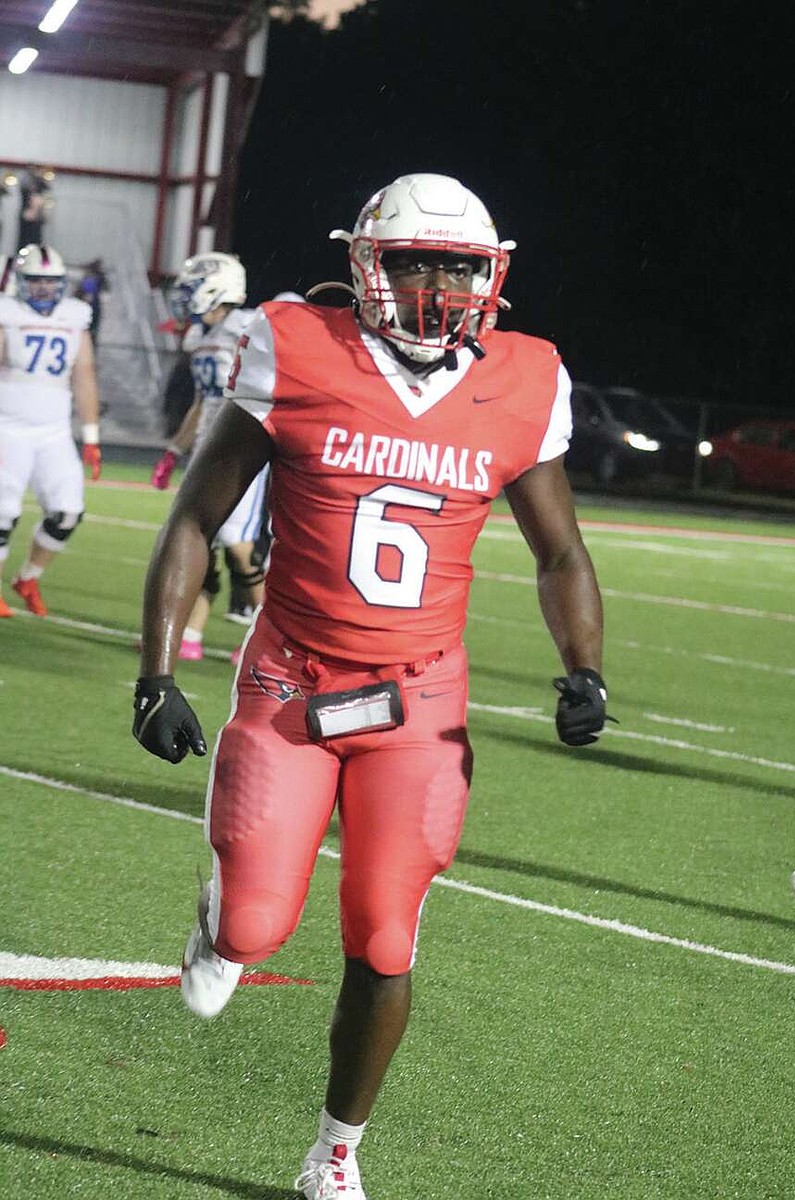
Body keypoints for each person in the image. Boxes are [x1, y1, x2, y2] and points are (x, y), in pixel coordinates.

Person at [132, 173, 610, 1199]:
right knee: (256, 928)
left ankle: (334, 1151)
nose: (436, 285)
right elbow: (193, 519)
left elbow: (559, 551)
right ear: (364, 266)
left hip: (421, 700)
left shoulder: (522, 379)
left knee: (386, 933)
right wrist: (155, 674)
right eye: (412, 262)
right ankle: (223, 916)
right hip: (290, 681)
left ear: (490, 277)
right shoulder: (297, 346)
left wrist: (583, 671)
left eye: (457, 266)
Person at [149, 251, 267, 659]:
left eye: (192, 288)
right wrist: (173, 451)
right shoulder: (198, 337)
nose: (184, 298)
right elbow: (202, 403)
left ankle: (268, 637)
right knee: (200, 539)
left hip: (244, 449)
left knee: (238, 544)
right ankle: (191, 636)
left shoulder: (247, 326)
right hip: (208, 448)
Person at [0, 243, 101, 619]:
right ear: (20, 283)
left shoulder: (73, 318)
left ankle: (28, 577)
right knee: (2, 513)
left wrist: (90, 436)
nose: (44, 288)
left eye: (51, 281)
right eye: (36, 280)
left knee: (68, 511)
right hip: (7, 427)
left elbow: (84, 375)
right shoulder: (7, 315)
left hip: (54, 431)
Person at [17, 166, 52, 250]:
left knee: (36, 241)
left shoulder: (40, 188)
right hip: (27, 217)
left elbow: (47, 189)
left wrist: (40, 178)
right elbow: (24, 187)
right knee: (24, 240)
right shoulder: (26, 184)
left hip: (36, 219)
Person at [75, 258, 106, 346]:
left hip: (90, 310)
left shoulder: (93, 279)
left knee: (90, 333)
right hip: (91, 309)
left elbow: (88, 296)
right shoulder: (93, 279)